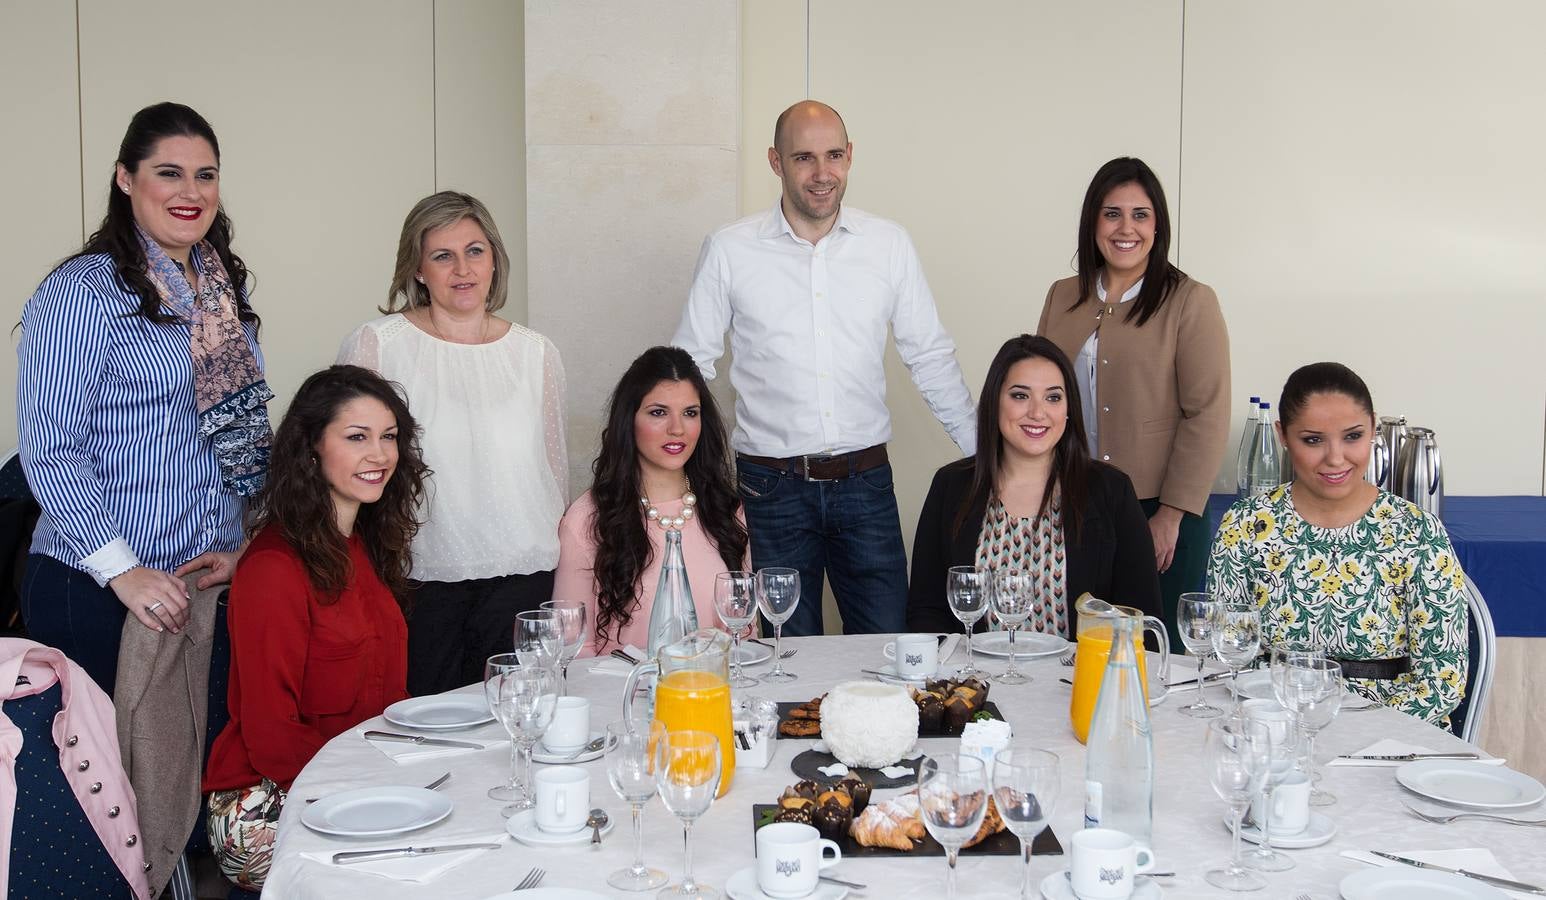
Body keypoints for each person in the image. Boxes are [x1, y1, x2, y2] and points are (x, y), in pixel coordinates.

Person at [16, 101, 269, 893]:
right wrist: (122, 571)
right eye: (168, 172)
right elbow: (48, 450)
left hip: (201, 584)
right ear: (126, 179)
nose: (189, 191)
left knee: (183, 795)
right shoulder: (81, 293)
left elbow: (238, 441)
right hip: (98, 588)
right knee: (113, 807)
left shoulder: (219, 290)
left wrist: (242, 543)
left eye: (205, 174)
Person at [672, 100, 976, 636]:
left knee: (890, 652)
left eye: (834, 155)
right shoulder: (729, 249)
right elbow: (690, 365)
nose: (821, 174)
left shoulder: (888, 245)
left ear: (851, 156)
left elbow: (929, 356)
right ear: (775, 161)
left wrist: (985, 455)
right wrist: (681, 472)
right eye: (803, 158)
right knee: (786, 661)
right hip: (769, 490)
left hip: (866, 485)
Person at [202, 365, 425, 892]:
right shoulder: (274, 568)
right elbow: (270, 736)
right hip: (263, 802)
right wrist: (377, 783)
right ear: (311, 450)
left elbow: (388, 696)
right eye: (356, 438)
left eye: (388, 437)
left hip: (360, 775)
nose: (379, 455)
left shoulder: (364, 546)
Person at [338, 191, 567, 695]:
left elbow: (552, 474)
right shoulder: (378, 344)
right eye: (442, 255)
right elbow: (343, 465)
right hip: (419, 577)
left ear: (494, 259)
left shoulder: (536, 353)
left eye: (475, 250)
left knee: (513, 731)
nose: (462, 268)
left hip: (524, 576)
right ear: (418, 269)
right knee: (428, 730)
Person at [1036, 157, 1230, 651]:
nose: (1127, 229)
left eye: (1140, 215)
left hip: (1157, 509)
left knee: (1157, 651)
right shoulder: (1063, 296)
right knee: (1075, 647)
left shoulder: (1190, 300)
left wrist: (1171, 514)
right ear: (1093, 222)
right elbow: (1039, 393)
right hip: (1073, 499)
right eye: (1112, 214)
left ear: (1157, 224)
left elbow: (1206, 412)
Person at [1207, 363, 1468, 726]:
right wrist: (1285, 727)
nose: (1335, 457)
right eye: (1313, 440)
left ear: (1374, 427)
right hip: (1274, 727)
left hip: (1390, 736)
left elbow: (1443, 682)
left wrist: (1346, 733)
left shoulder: (1417, 532)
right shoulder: (1247, 525)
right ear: (1283, 435)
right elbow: (1230, 655)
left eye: (1352, 436)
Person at [908, 335, 1160, 638]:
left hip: (1078, 681)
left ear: (1069, 409)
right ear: (994, 402)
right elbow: (926, 611)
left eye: (1053, 397)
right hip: (976, 678)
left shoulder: (1111, 490)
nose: (1038, 413)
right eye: (1020, 396)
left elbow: (1141, 619)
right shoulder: (951, 485)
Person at [554, 346, 748, 657]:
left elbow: (743, 637)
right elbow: (573, 651)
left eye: (690, 413)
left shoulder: (725, 509)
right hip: (623, 699)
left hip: (714, 696)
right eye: (658, 412)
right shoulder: (587, 519)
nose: (677, 429)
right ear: (628, 420)